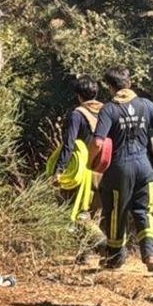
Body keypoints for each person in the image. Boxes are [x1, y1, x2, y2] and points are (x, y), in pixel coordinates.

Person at [91, 67, 153, 271]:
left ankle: (115, 258)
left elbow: (98, 142)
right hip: (145, 167)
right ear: (130, 82)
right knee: (146, 211)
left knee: (116, 212)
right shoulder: (146, 105)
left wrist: (90, 163)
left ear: (110, 87)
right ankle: (150, 254)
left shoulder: (109, 109)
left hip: (119, 170)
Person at [51, 75, 106, 260]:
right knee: (92, 211)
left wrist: (59, 170)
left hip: (82, 172)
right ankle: (84, 254)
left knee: (75, 211)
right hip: (103, 170)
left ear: (79, 96)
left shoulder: (78, 114)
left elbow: (69, 144)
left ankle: (101, 243)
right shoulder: (106, 111)